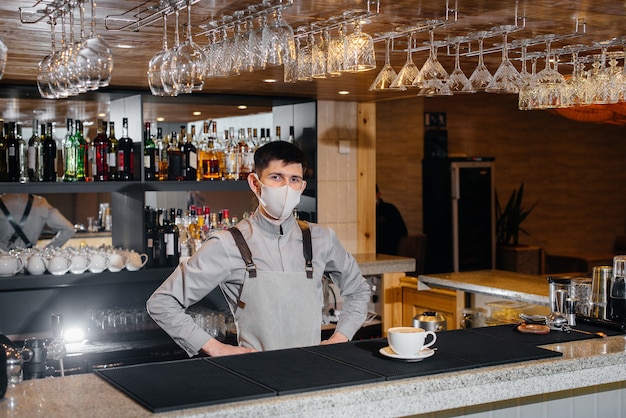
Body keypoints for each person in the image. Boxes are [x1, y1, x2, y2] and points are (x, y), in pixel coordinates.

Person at [147, 141, 371, 357]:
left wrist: (340, 338)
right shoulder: (227, 243)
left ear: (302, 186)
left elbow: (359, 290)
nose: (286, 187)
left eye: (294, 179)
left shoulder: (322, 238)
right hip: (257, 372)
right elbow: (162, 302)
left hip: (313, 370)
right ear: (255, 183)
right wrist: (214, 347)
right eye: (276, 177)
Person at [0, 193, 75, 252]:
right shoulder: (40, 203)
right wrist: (47, 250)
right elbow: (69, 229)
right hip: (28, 261)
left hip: (2, 259)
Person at [376, 184, 408, 255]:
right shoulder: (364, 212)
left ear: (378, 194)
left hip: (391, 252)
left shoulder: (390, 209)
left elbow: (402, 232)